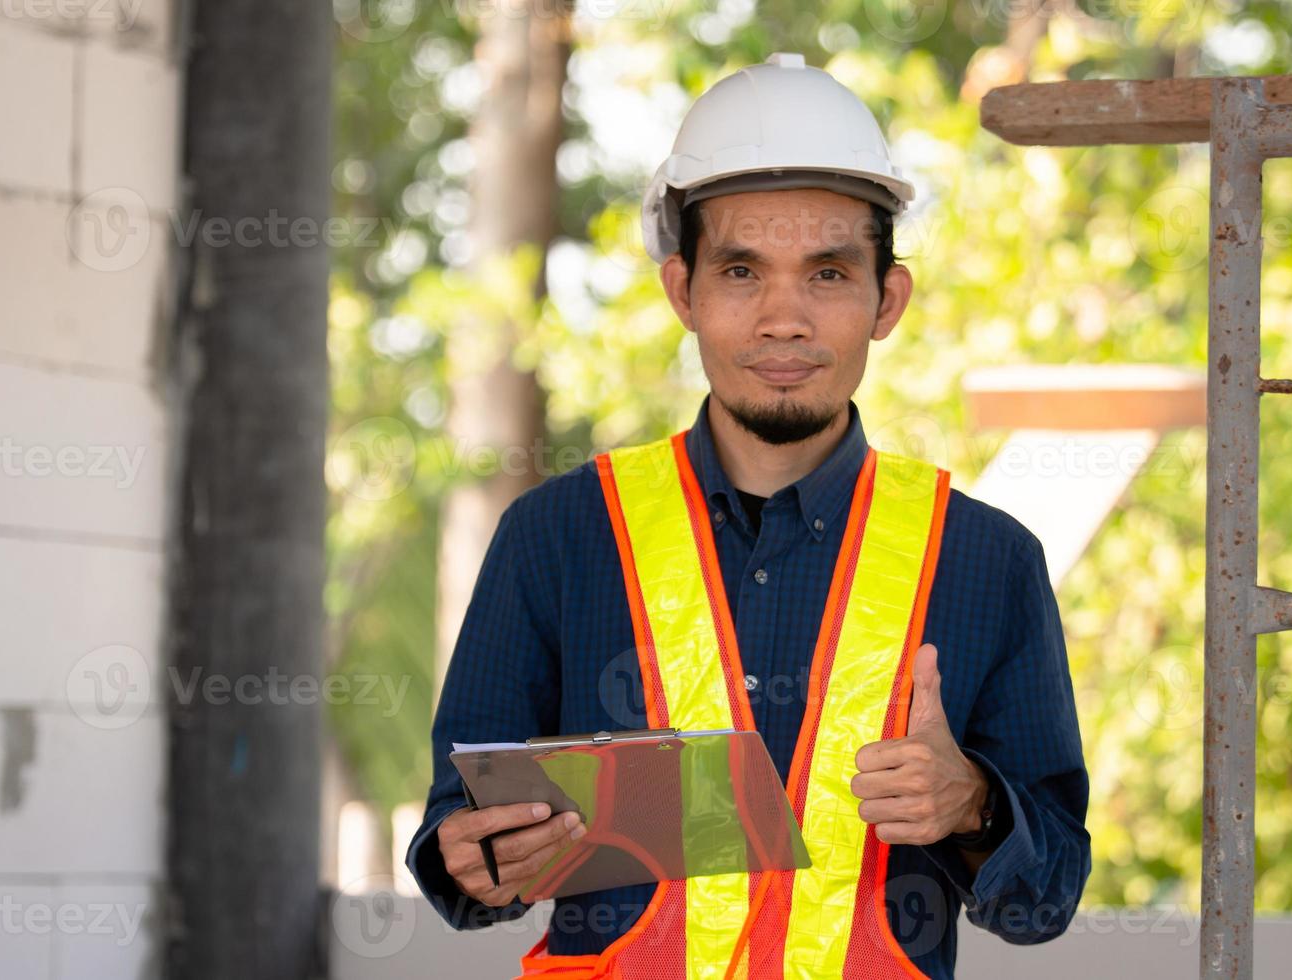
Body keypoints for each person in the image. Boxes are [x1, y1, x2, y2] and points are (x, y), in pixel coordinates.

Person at [408, 51, 1090, 979]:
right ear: (681, 290)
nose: (783, 320)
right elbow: (458, 842)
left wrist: (972, 803)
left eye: (827, 274)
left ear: (886, 300)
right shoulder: (557, 538)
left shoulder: (986, 560)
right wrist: (481, 857)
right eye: (740, 272)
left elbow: (1047, 898)